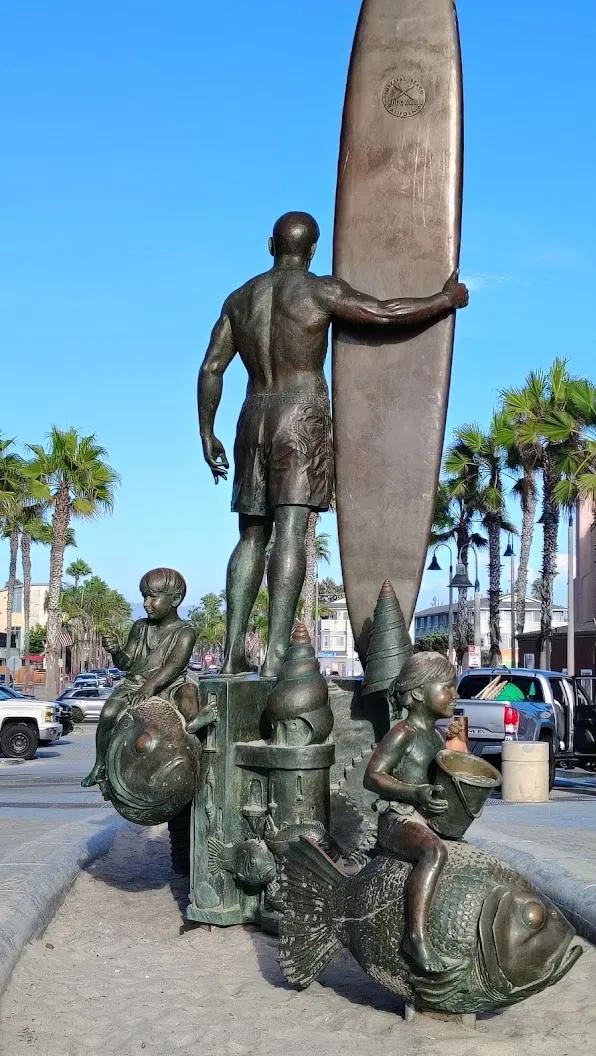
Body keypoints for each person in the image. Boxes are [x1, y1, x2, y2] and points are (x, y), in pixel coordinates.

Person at [198, 211, 469, 680]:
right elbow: (385, 313)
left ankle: (229, 656)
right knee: (289, 532)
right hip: (300, 413)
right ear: (314, 249)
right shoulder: (319, 290)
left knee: (250, 535)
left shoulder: (240, 299)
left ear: (270, 245)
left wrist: (207, 431)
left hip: (252, 417)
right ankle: (278, 654)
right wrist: (444, 299)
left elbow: (211, 370)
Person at [364, 652, 459, 974]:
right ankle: (415, 938)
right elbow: (373, 775)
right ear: (419, 693)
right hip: (396, 818)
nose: (454, 695)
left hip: (421, 816)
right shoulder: (403, 733)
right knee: (433, 852)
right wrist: (413, 792)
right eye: (447, 687)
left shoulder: (435, 737)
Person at [81, 569, 201, 789]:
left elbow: (173, 666)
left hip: (168, 685)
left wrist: (149, 687)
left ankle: (193, 750)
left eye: (153, 597)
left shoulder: (186, 632)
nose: (146, 603)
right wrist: (116, 651)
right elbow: (125, 663)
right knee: (108, 713)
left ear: (175, 600)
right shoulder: (140, 627)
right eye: (144, 596)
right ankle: (100, 765)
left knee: (189, 699)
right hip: (134, 684)